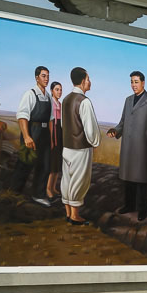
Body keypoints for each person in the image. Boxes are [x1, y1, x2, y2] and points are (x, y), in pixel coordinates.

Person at [107, 70, 147, 221]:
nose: (133, 85)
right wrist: (115, 131)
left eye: (136, 82)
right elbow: (122, 122)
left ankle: (143, 210)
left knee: (142, 179)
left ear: (143, 83)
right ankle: (129, 205)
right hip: (128, 146)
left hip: (143, 147)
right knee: (128, 178)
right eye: (131, 82)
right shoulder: (128, 100)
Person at [61, 67, 101, 225]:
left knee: (67, 179)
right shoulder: (84, 101)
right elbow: (90, 129)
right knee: (79, 180)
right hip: (80, 148)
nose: (90, 82)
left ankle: (68, 213)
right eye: (88, 78)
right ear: (83, 81)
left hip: (66, 147)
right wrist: (95, 142)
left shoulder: (66, 99)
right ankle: (75, 216)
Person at [11, 65, 54, 205]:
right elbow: (22, 116)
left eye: (47, 76)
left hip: (45, 134)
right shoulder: (30, 94)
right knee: (25, 164)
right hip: (32, 131)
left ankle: (38, 195)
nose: (46, 79)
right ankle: (12, 194)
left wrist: (52, 138)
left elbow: (51, 120)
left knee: (45, 165)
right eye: (43, 76)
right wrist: (27, 136)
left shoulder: (48, 96)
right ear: (37, 78)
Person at [46, 81, 64, 203]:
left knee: (58, 161)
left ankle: (53, 187)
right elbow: (50, 122)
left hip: (59, 131)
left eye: (60, 90)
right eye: (57, 89)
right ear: (52, 90)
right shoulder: (50, 103)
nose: (59, 92)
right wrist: (51, 139)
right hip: (52, 131)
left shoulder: (60, 104)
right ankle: (48, 188)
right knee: (52, 162)